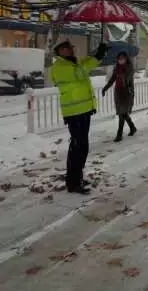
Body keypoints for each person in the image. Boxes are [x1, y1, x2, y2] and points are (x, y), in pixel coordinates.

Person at [50, 40, 107, 194]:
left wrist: (98, 54)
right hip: (73, 112)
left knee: (83, 146)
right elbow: (80, 72)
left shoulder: (73, 62)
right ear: (60, 51)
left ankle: (78, 176)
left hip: (84, 110)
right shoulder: (59, 67)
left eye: (71, 47)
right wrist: (98, 55)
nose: (71, 50)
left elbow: (86, 62)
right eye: (68, 48)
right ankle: (72, 182)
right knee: (76, 147)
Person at [102, 52, 137, 142]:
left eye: (123, 58)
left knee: (122, 113)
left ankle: (119, 134)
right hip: (118, 93)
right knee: (123, 113)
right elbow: (112, 79)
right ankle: (132, 127)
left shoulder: (129, 67)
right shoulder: (116, 68)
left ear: (126, 58)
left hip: (127, 93)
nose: (121, 59)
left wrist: (123, 77)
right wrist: (105, 88)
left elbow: (128, 80)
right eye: (119, 58)